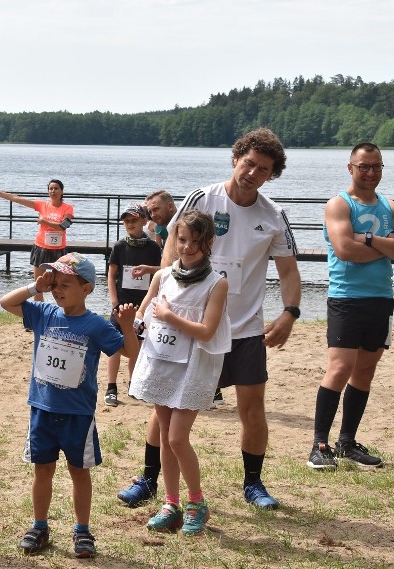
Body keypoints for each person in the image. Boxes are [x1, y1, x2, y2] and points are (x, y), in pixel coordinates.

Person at [118, 128, 300, 511]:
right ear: (236, 159)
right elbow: (173, 241)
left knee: (252, 409)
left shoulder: (273, 215)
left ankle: (253, 484)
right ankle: (148, 479)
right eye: (248, 163)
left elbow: (287, 270)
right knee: (164, 406)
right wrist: (164, 290)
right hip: (187, 324)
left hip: (245, 328)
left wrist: (290, 312)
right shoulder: (204, 197)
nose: (253, 173)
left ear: (271, 174)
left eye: (263, 169)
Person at [0, 253, 140, 558]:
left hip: (78, 414)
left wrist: (127, 326)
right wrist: (35, 287)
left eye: (65, 284)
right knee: (43, 469)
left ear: (87, 288)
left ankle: (82, 530)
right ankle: (39, 526)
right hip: (43, 409)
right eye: (54, 283)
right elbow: (6, 302)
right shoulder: (44, 313)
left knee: (79, 472)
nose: (57, 289)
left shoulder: (95, 325)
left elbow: (131, 353)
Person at [307, 142, 394, 471]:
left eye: (377, 166)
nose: (370, 173)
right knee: (339, 369)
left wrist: (368, 240)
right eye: (364, 166)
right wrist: (388, 247)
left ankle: (346, 442)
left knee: (365, 372)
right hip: (347, 298)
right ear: (350, 168)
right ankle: (319, 445)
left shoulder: (392, 206)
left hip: (381, 298)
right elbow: (344, 249)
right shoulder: (339, 205)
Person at [129, 209, 230, 536]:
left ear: (209, 243)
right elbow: (145, 309)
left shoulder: (217, 284)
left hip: (193, 367)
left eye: (195, 243)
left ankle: (197, 503)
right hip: (161, 362)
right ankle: (171, 504)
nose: (187, 248)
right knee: (164, 439)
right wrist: (137, 319)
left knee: (176, 437)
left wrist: (170, 317)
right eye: (182, 240)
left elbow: (206, 331)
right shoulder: (162, 276)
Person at [104, 203, 161, 406]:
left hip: (142, 306)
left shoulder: (153, 247)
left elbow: (161, 272)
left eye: (134, 220)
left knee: (136, 344)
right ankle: (111, 387)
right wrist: (114, 301)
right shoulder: (120, 246)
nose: (130, 224)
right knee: (114, 344)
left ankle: (133, 384)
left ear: (144, 221)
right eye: (126, 221)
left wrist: (148, 270)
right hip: (121, 303)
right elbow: (111, 275)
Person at [0, 180, 74, 301]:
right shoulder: (42, 205)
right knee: (38, 285)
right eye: (51, 189)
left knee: (61, 285)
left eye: (56, 188)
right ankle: (38, 315)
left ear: (61, 191)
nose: (53, 191)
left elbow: (63, 226)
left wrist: (44, 221)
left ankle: (63, 314)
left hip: (59, 249)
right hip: (41, 247)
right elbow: (16, 198)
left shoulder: (67, 208)